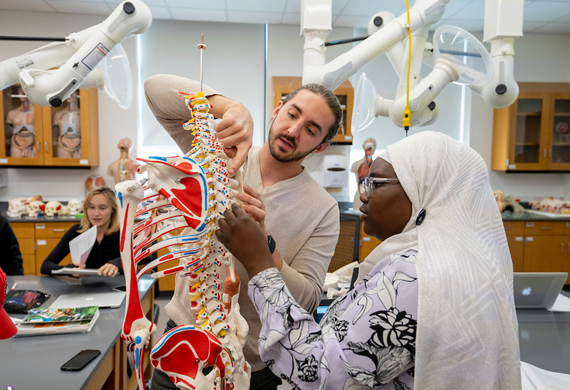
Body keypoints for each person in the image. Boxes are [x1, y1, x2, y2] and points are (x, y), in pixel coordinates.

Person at [216, 131, 522, 389]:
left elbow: (317, 373)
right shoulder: (457, 263)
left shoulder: (415, 277)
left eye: (375, 183)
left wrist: (259, 263)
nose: (363, 196)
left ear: (422, 193)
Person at [144, 74, 342, 390]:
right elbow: (154, 89)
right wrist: (229, 106)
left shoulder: (324, 209)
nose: (293, 131)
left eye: (311, 129)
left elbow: (307, 298)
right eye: (293, 114)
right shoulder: (220, 152)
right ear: (277, 110)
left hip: (251, 366)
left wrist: (263, 248)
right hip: (181, 346)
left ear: (321, 146)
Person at [40, 186, 123, 278]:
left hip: (118, 286)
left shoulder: (123, 232)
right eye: (91, 207)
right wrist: (71, 270)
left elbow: (141, 257)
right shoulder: (77, 231)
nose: (96, 213)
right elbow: (46, 266)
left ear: (113, 209)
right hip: (86, 288)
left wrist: (117, 263)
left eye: (102, 208)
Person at [351, 137, 376, 210]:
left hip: (373, 198)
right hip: (359, 197)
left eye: (371, 145)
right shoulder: (356, 165)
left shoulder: (377, 166)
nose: (369, 147)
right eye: (367, 145)